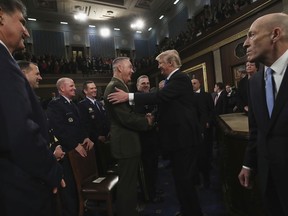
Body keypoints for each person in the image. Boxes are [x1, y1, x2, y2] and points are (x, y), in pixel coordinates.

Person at [108, 50, 205, 216]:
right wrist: (152, 116)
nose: (159, 66)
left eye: (161, 63)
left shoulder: (180, 78)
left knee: (185, 181)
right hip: (177, 140)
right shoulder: (171, 80)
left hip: (184, 139)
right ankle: (186, 210)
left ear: (170, 63)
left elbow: (162, 96)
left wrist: (129, 96)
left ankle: (193, 212)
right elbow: (166, 104)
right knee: (180, 180)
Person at [0, 1, 64, 216]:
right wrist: (50, 170)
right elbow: (20, 130)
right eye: (22, 22)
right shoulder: (3, 63)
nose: (26, 32)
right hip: (19, 184)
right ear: (1, 16)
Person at [238, 13, 288, 216]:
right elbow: (257, 129)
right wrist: (248, 163)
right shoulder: (255, 82)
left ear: (275, 34)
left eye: (251, 35)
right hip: (268, 177)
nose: (245, 43)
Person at [103, 57, 153, 216]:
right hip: (125, 144)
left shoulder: (119, 85)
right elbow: (126, 117)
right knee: (127, 185)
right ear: (119, 69)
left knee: (129, 183)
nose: (132, 70)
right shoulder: (115, 87)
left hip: (127, 143)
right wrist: (146, 121)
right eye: (129, 67)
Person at [47, 77, 94, 216]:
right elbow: (58, 129)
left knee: (78, 183)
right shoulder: (55, 105)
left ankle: (81, 209)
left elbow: (80, 125)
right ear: (62, 88)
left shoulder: (73, 104)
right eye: (71, 86)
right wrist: (74, 145)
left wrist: (86, 137)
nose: (75, 88)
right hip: (68, 153)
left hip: (78, 152)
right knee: (69, 188)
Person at [17, 60, 65, 161]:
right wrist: (50, 155)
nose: (40, 78)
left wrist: (55, 146)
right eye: (37, 74)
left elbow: (45, 128)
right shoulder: (17, 100)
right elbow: (27, 138)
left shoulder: (33, 98)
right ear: (23, 73)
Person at [135, 75, 162, 203]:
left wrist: (152, 116)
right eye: (143, 83)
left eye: (147, 83)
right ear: (137, 86)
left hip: (154, 139)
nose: (146, 85)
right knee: (145, 170)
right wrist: (147, 119)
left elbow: (156, 111)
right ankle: (148, 195)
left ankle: (153, 189)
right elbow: (137, 116)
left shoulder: (153, 98)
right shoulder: (135, 99)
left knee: (154, 167)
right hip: (142, 140)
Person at [78, 80, 110, 175]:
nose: (94, 90)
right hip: (95, 141)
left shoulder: (99, 103)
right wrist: (97, 136)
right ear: (85, 91)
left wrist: (108, 132)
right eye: (91, 88)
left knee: (108, 164)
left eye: (95, 88)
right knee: (100, 167)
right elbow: (85, 124)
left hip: (106, 139)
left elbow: (106, 120)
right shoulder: (82, 105)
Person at [192, 78, 214, 188]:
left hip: (204, 128)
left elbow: (211, 110)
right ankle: (197, 179)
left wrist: (208, 122)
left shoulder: (206, 95)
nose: (193, 85)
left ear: (199, 84)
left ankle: (206, 179)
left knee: (205, 153)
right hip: (193, 130)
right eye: (191, 84)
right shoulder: (189, 96)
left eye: (195, 83)